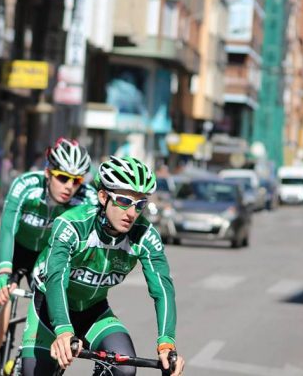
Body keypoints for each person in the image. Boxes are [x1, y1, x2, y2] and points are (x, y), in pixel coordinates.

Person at [19, 156, 185, 376]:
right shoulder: (72, 225)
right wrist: (63, 330)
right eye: (124, 201)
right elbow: (56, 278)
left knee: (124, 370)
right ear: (103, 196)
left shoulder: (144, 235)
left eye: (140, 204)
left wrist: (167, 344)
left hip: (93, 309)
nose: (132, 213)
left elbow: (163, 289)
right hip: (49, 310)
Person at [0, 137, 97, 376]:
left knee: (53, 332)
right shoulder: (26, 185)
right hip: (15, 254)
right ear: (48, 173)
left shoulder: (87, 198)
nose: (69, 186)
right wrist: (4, 272)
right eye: (62, 177)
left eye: (76, 180)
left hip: (48, 260)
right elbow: (7, 228)